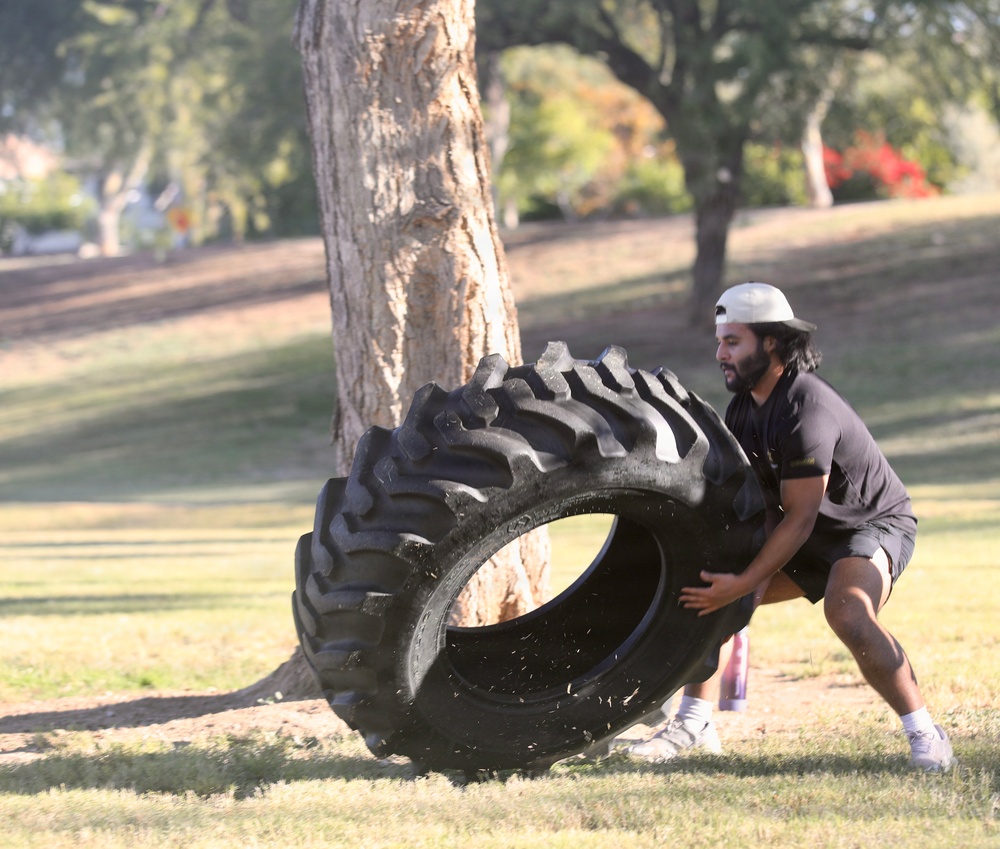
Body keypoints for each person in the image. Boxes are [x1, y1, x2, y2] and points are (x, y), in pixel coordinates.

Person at [629, 281, 953, 772]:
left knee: (847, 611)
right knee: (707, 594)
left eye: (733, 341)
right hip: (802, 529)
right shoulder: (744, 407)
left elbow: (800, 518)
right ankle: (694, 723)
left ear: (772, 342)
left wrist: (746, 580)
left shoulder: (807, 409)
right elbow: (756, 506)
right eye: (719, 341)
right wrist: (732, 583)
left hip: (869, 526)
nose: (721, 353)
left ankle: (927, 736)